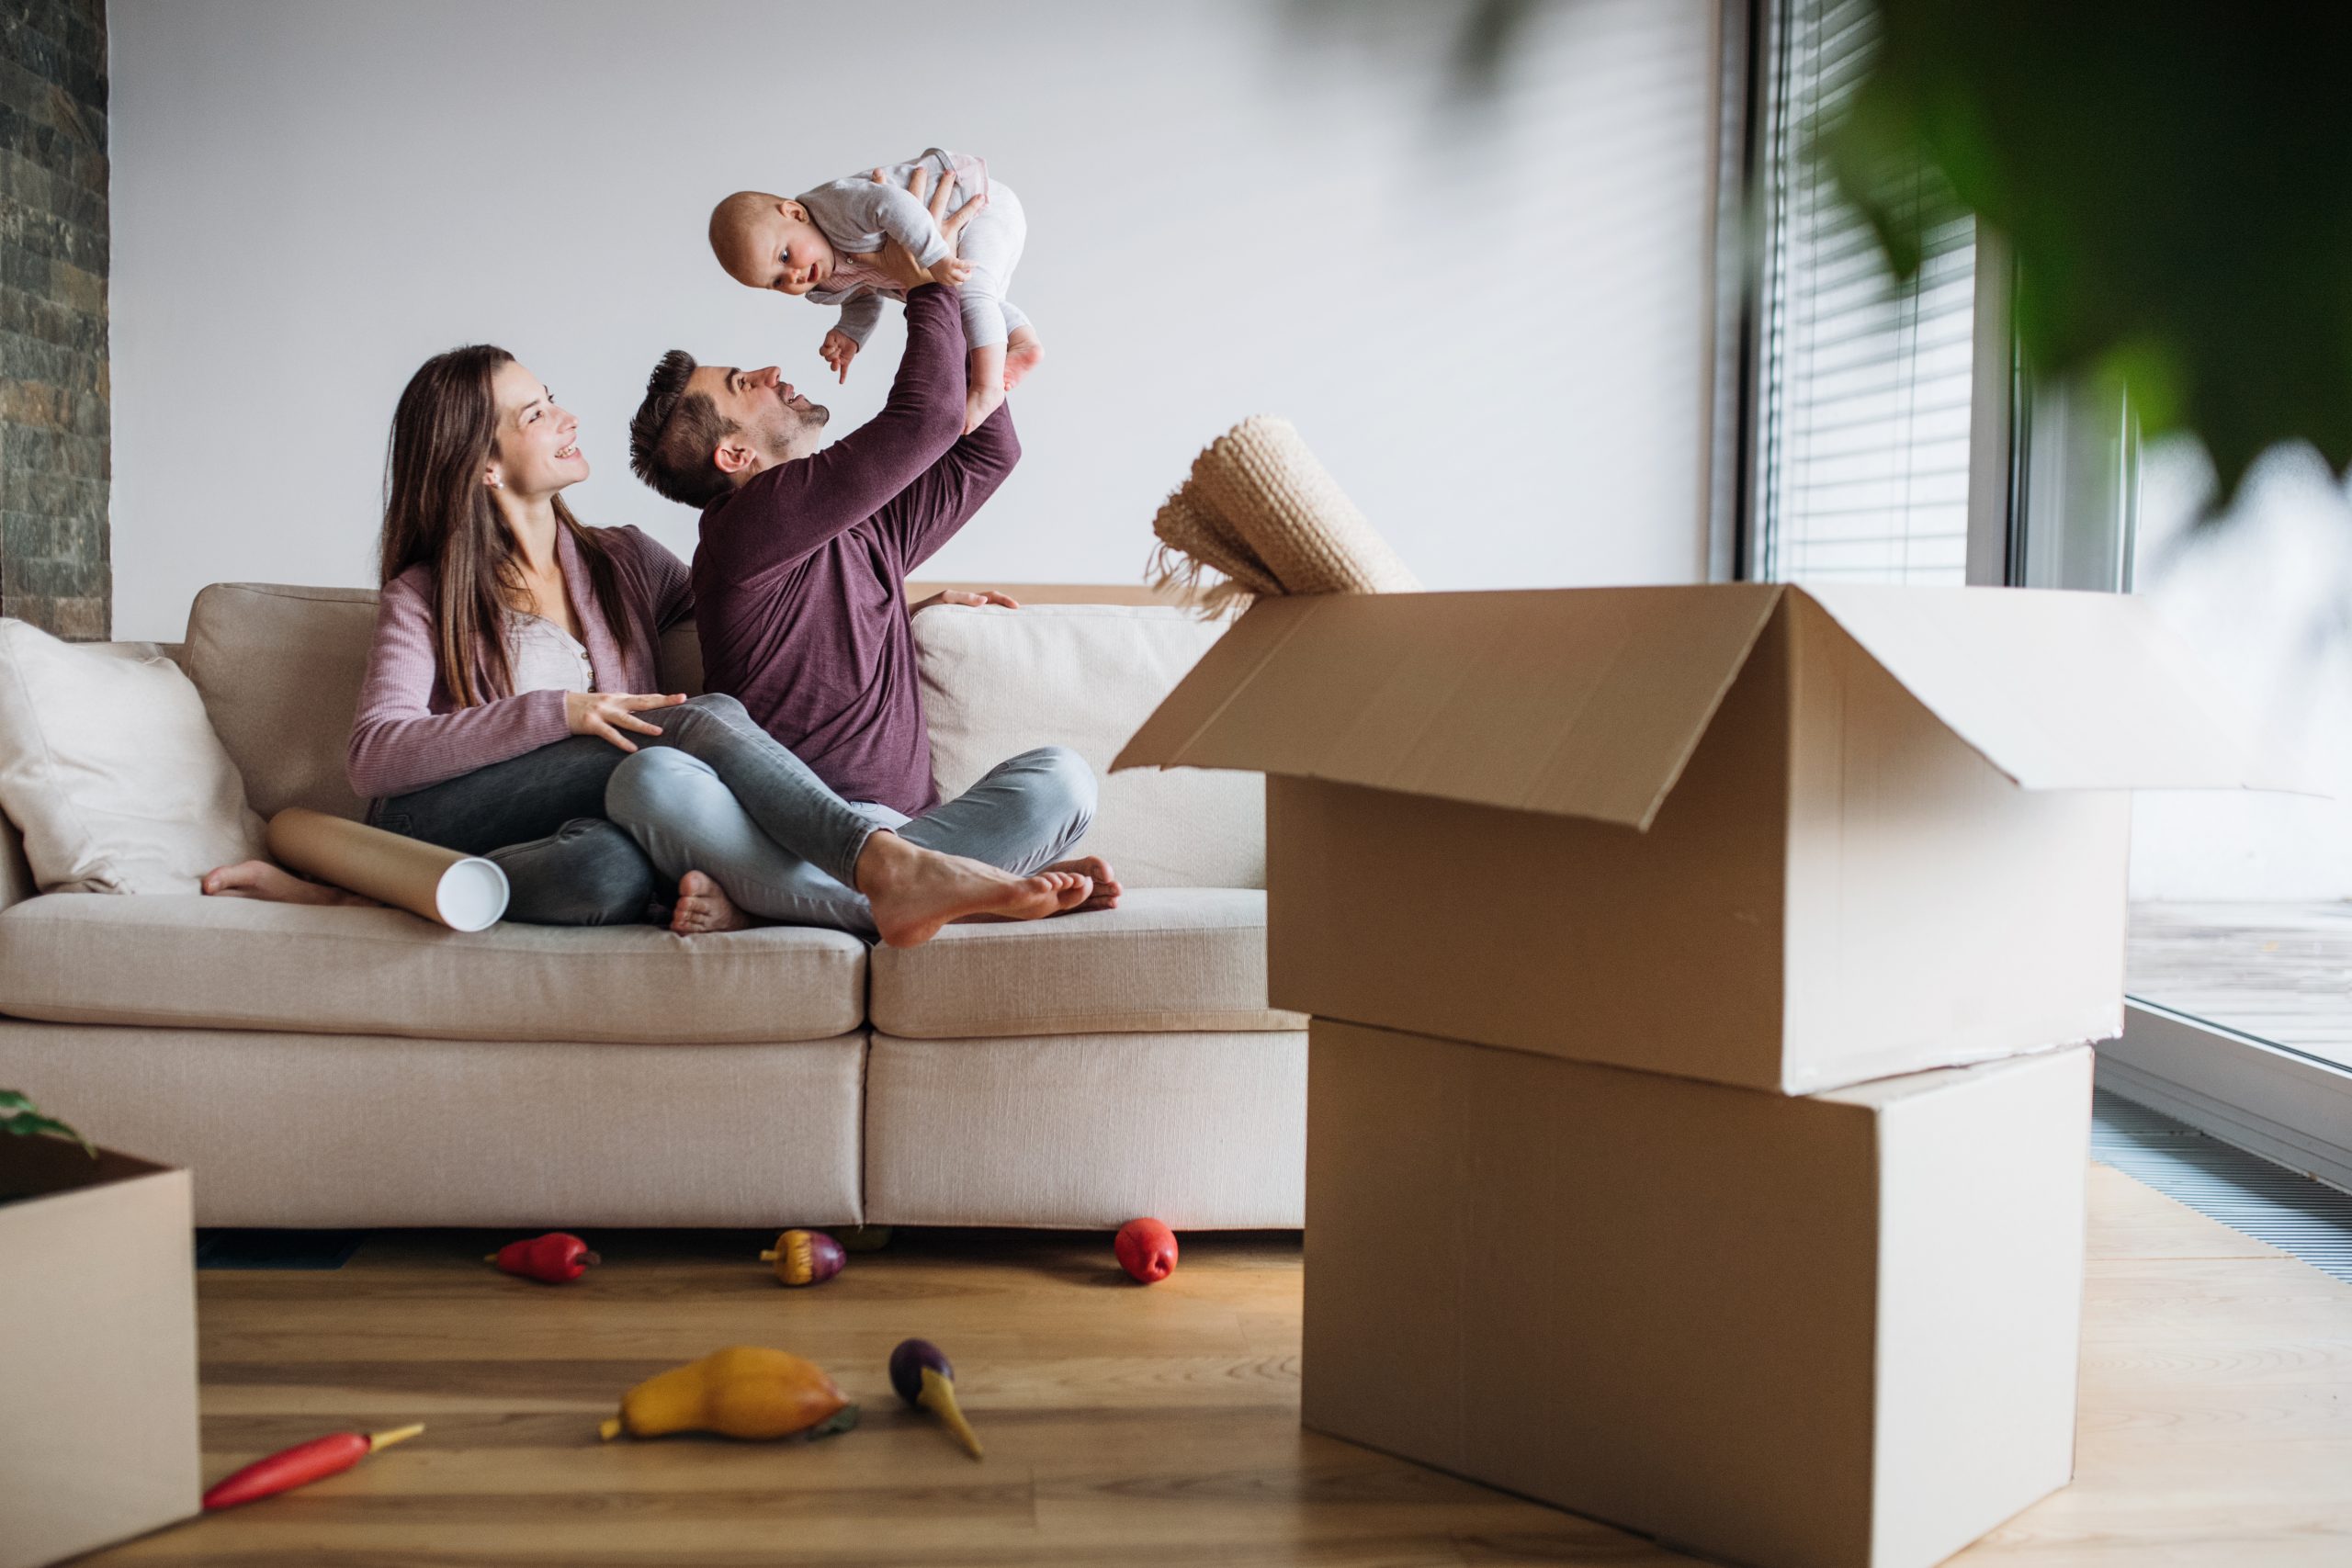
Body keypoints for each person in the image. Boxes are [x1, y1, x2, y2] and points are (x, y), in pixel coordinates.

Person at [201, 331, 1093, 947]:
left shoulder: (626, 561)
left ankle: (883, 890)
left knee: (611, 872)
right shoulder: (425, 594)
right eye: (534, 413)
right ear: (480, 461)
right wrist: (563, 713)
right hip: (445, 815)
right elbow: (373, 757)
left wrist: (914, 609)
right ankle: (888, 866)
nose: (566, 418)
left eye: (552, 400)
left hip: (590, 828)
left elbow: (762, 605)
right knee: (684, 730)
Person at [626, 162, 1115, 942]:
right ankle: (935, 889)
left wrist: (928, 276)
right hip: (783, 835)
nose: (773, 373)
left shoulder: (866, 530)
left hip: (908, 833)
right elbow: (926, 421)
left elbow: (986, 454)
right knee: (650, 777)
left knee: (1065, 779)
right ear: (734, 460)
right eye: (744, 384)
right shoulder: (743, 530)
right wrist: (918, 275)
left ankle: (829, 897)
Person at [708, 147, 1039, 434]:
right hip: (952, 242)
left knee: (972, 294)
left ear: (795, 214)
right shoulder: (821, 285)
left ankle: (986, 387)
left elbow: (892, 203)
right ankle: (1023, 342)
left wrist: (935, 255)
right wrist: (851, 332)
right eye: (777, 282)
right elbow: (862, 295)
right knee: (979, 301)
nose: (793, 275)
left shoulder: (835, 207)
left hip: (975, 206)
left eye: (784, 256)